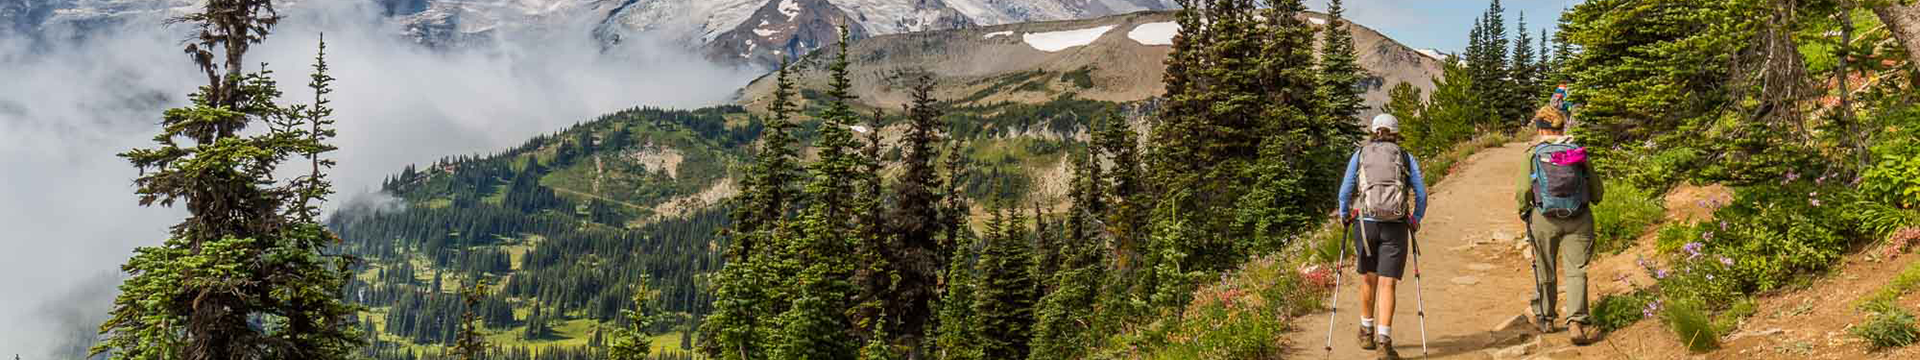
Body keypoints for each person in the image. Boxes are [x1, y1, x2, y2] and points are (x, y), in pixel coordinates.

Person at [1334, 114, 1430, 360]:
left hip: (1365, 224)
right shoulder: (1406, 157)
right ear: (1396, 133)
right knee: (1388, 283)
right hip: (1396, 225)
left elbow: (1345, 192)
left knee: (1368, 279)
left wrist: (1345, 215)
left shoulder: (1360, 154)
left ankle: (1366, 332)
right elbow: (1421, 193)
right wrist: (1416, 218)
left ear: (1373, 131)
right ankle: (1384, 342)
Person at [1517, 105, 1605, 345]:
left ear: (1542, 129)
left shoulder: (1533, 154)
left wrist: (1523, 210)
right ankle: (1576, 322)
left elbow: (1523, 190)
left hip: (1545, 219)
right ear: (1562, 126)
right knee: (1576, 271)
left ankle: (1546, 318)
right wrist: (1594, 199)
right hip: (1579, 217)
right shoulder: (1577, 151)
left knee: (1546, 269)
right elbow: (1596, 188)